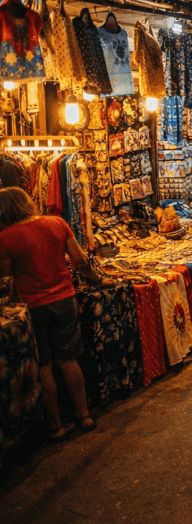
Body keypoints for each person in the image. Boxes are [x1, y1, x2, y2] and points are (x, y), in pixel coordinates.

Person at [0, 187, 101, 438]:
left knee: (43, 365)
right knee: (68, 359)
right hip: (64, 299)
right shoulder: (57, 223)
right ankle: (83, 415)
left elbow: (6, 281)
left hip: (32, 307)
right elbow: (80, 261)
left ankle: (55, 426)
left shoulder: (5, 238)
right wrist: (98, 279)